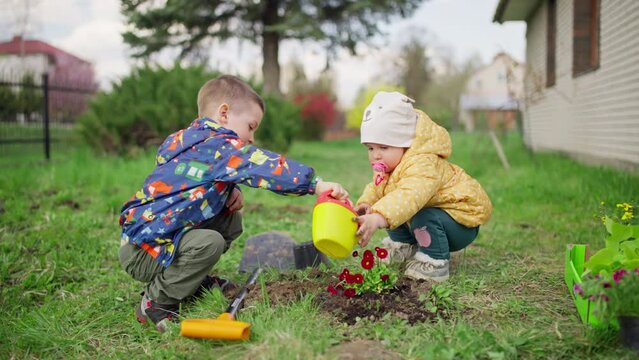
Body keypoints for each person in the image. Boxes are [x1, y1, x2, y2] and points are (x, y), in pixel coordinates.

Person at [118, 75, 348, 332]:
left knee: (230, 219)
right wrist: (315, 184)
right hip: (144, 251)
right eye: (250, 126)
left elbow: (190, 181)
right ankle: (156, 301)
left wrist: (227, 189)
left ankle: (189, 281)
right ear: (224, 113)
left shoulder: (192, 141)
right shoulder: (218, 144)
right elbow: (262, 165)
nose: (251, 138)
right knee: (210, 243)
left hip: (156, 240)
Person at [353, 91, 492, 282]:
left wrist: (378, 218)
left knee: (416, 211)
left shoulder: (423, 163)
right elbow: (378, 187)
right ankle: (404, 245)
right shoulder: (390, 165)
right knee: (389, 201)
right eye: (370, 148)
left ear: (404, 144)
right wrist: (367, 204)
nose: (376, 155)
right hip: (437, 214)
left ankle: (435, 261)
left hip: (460, 221)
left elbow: (410, 195)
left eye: (383, 147)